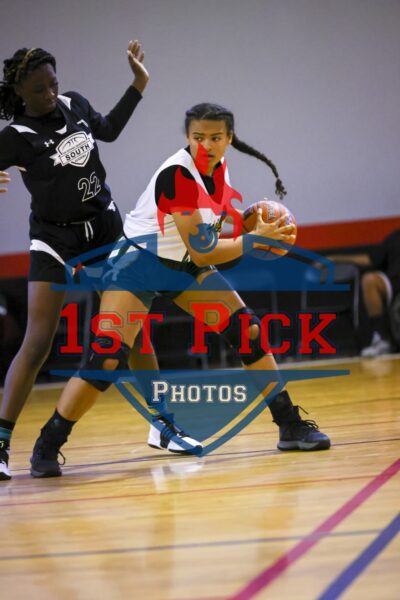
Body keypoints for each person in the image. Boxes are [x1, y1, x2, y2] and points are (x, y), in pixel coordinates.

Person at [29, 102, 331, 478]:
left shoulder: (219, 168)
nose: (206, 145)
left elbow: (205, 234)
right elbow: (204, 251)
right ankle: (48, 443)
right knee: (105, 359)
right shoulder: (178, 177)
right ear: (187, 137)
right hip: (137, 266)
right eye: (198, 137)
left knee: (247, 330)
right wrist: (254, 240)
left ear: (229, 139)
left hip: (181, 265)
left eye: (215, 138)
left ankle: (289, 424)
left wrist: (246, 228)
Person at [0, 40, 172, 481]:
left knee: (134, 331)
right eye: (39, 90)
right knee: (37, 341)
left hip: (104, 231)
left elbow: (109, 129)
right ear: (20, 93)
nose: (50, 94)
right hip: (54, 240)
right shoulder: (15, 137)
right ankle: (0, 444)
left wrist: (138, 85)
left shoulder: (74, 103)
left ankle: (162, 424)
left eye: (53, 84)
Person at [327, 229, 400, 357]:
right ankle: (382, 339)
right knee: (369, 280)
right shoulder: (396, 237)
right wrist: (335, 258)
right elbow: (371, 260)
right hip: (395, 285)